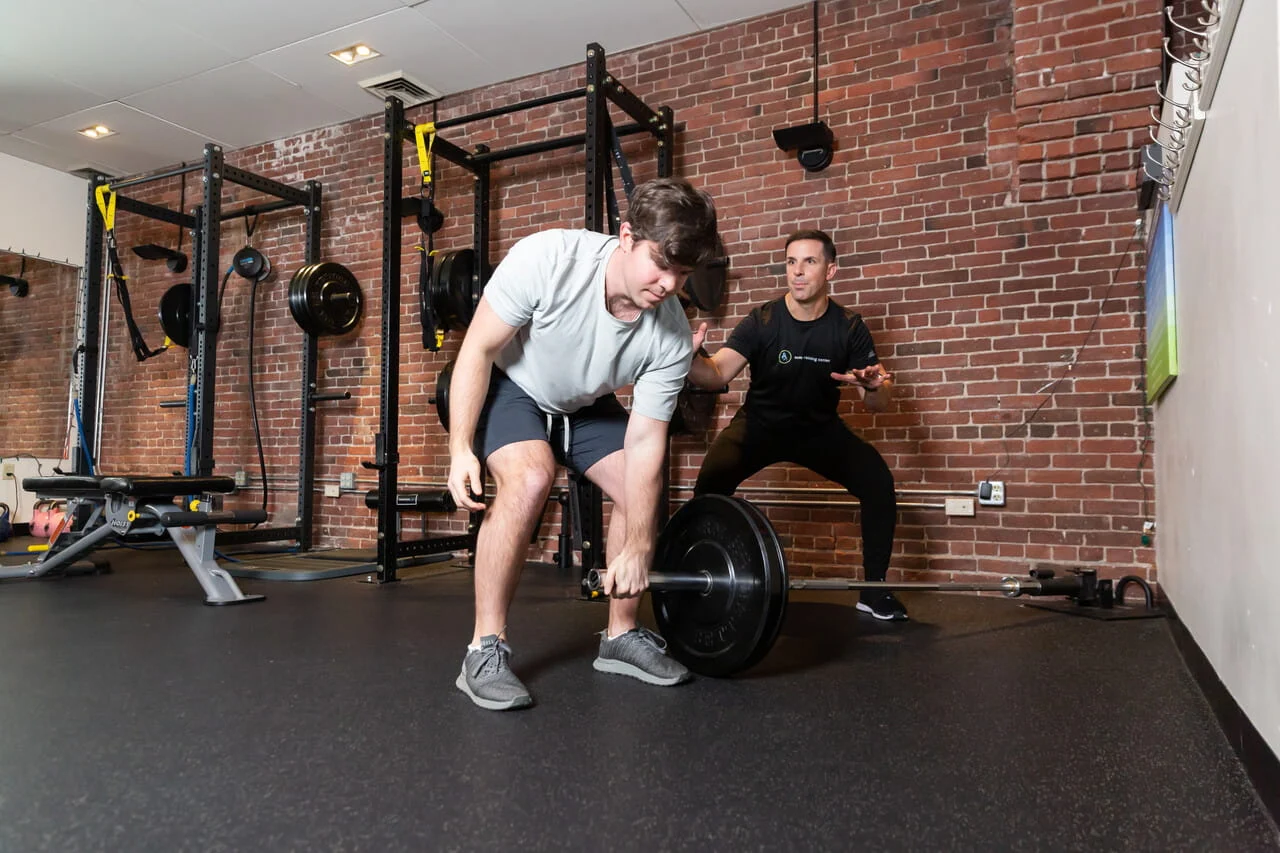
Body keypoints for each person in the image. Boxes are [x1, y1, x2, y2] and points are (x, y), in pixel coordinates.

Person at [446, 177, 720, 711]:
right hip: (514, 386)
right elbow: (476, 350)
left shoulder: (668, 332)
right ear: (625, 237)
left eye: (682, 273)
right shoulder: (548, 259)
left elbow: (645, 441)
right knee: (529, 479)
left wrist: (641, 542)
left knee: (637, 489)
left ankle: (620, 636)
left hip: (583, 403)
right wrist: (461, 448)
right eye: (660, 264)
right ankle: (485, 647)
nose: (668, 283)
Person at [686, 229, 906, 621]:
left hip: (818, 431)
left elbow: (877, 402)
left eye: (810, 262)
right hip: (759, 427)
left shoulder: (849, 327)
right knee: (709, 486)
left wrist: (876, 385)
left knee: (878, 481)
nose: (798, 272)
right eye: (791, 262)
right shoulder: (763, 320)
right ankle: (696, 582)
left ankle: (873, 591)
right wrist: (688, 358)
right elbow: (717, 373)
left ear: (831, 270)